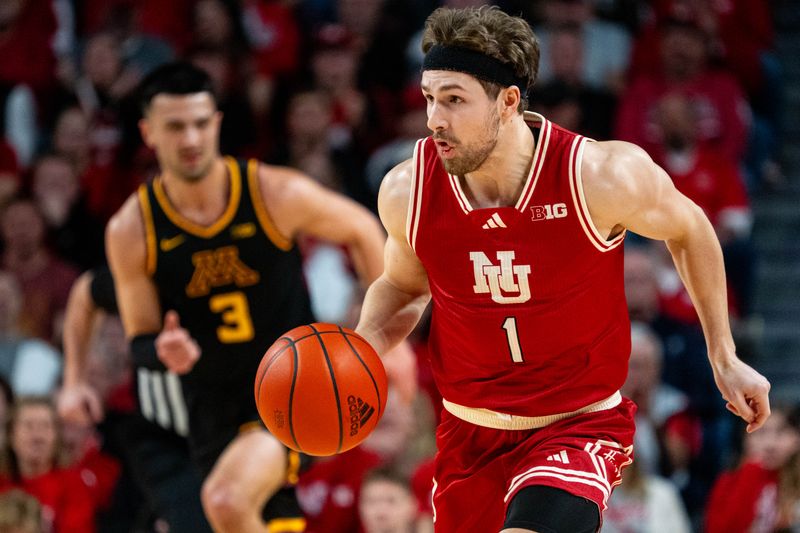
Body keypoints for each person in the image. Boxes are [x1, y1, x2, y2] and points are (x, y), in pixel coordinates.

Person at [354, 6, 771, 533]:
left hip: (577, 424)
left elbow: (690, 229)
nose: (435, 117)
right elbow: (403, 285)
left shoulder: (599, 175)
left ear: (507, 101)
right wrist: (360, 350)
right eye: (430, 98)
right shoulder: (407, 189)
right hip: (468, 433)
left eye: (455, 100)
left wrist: (723, 355)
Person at [105, 61, 390, 533]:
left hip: (293, 390)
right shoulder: (132, 228)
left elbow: (362, 228)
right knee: (264, 519)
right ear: (148, 132)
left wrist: (379, 334)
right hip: (209, 408)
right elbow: (140, 338)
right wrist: (161, 350)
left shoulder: (270, 191)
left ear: (217, 123)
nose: (191, 139)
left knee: (227, 499)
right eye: (175, 127)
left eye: (200, 123)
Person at [57, 266, 214, 532]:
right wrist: (74, 381)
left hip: (228, 420)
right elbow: (85, 292)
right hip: (163, 431)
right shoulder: (148, 260)